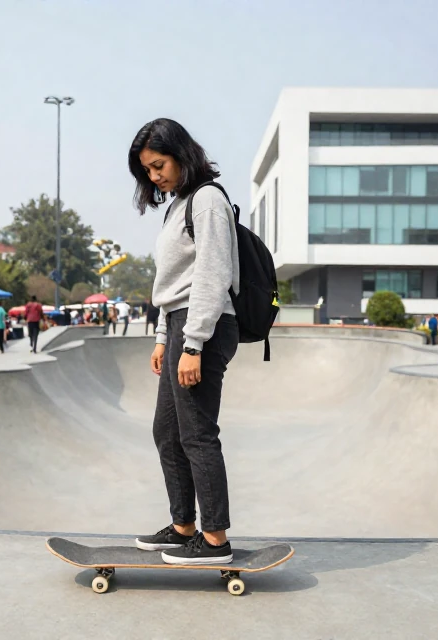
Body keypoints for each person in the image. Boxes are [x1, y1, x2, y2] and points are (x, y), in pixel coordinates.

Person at [128, 118, 240, 565]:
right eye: (147, 172)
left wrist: (192, 344)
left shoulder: (207, 200)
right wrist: (162, 336)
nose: (155, 177)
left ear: (181, 154)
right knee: (167, 432)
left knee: (196, 435)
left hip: (204, 327)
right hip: (179, 323)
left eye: (159, 166)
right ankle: (183, 527)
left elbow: (212, 274)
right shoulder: (178, 205)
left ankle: (215, 540)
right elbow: (172, 281)